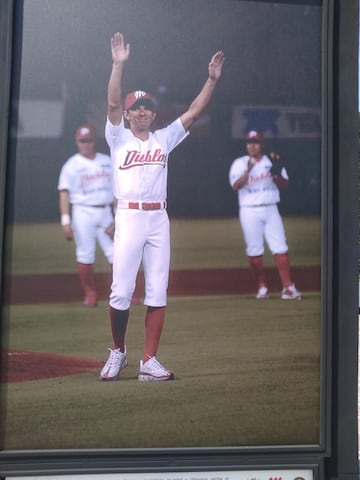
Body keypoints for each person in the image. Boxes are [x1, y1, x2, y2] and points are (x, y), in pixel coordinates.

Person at [99, 32, 224, 381]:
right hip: (129, 214)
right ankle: (118, 351)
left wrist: (210, 81)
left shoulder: (163, 138)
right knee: (121, 291)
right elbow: (110, 105)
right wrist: (117, 65)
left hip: (158, 217)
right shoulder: (118, 137)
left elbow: (195, 112)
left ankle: (148, 360)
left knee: (157, 288)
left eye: (148, 107)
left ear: (154, 115)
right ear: (127, 114)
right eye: (136, 107)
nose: (142, 111)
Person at [228, 129, 301, 300]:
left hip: (270, 208)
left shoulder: (272, 161)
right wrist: (248, 171)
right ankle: (262, 288)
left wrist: (275, 173)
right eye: (249, 142)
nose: (252, 146)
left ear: (262, 144)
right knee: (254, 251)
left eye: (256, 142)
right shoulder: (239, 163)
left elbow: (285, 185)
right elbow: (235, 186)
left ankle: (288, 288)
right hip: (249, 210)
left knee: (280, 247)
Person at [58, 124, 115, 308]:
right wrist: (65, 221)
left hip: (106, 210)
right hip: (82, 212)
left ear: (94, 141)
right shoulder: (71, 165)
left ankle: (122, 293)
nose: (85, 144)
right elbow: (64, 193)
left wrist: (118, 217)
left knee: (117, 254)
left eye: (88, 140)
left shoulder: (107, 161)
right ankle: (90, 293)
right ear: (76, 141)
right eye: (82, 140)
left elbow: (118, 191)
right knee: (85, 254)